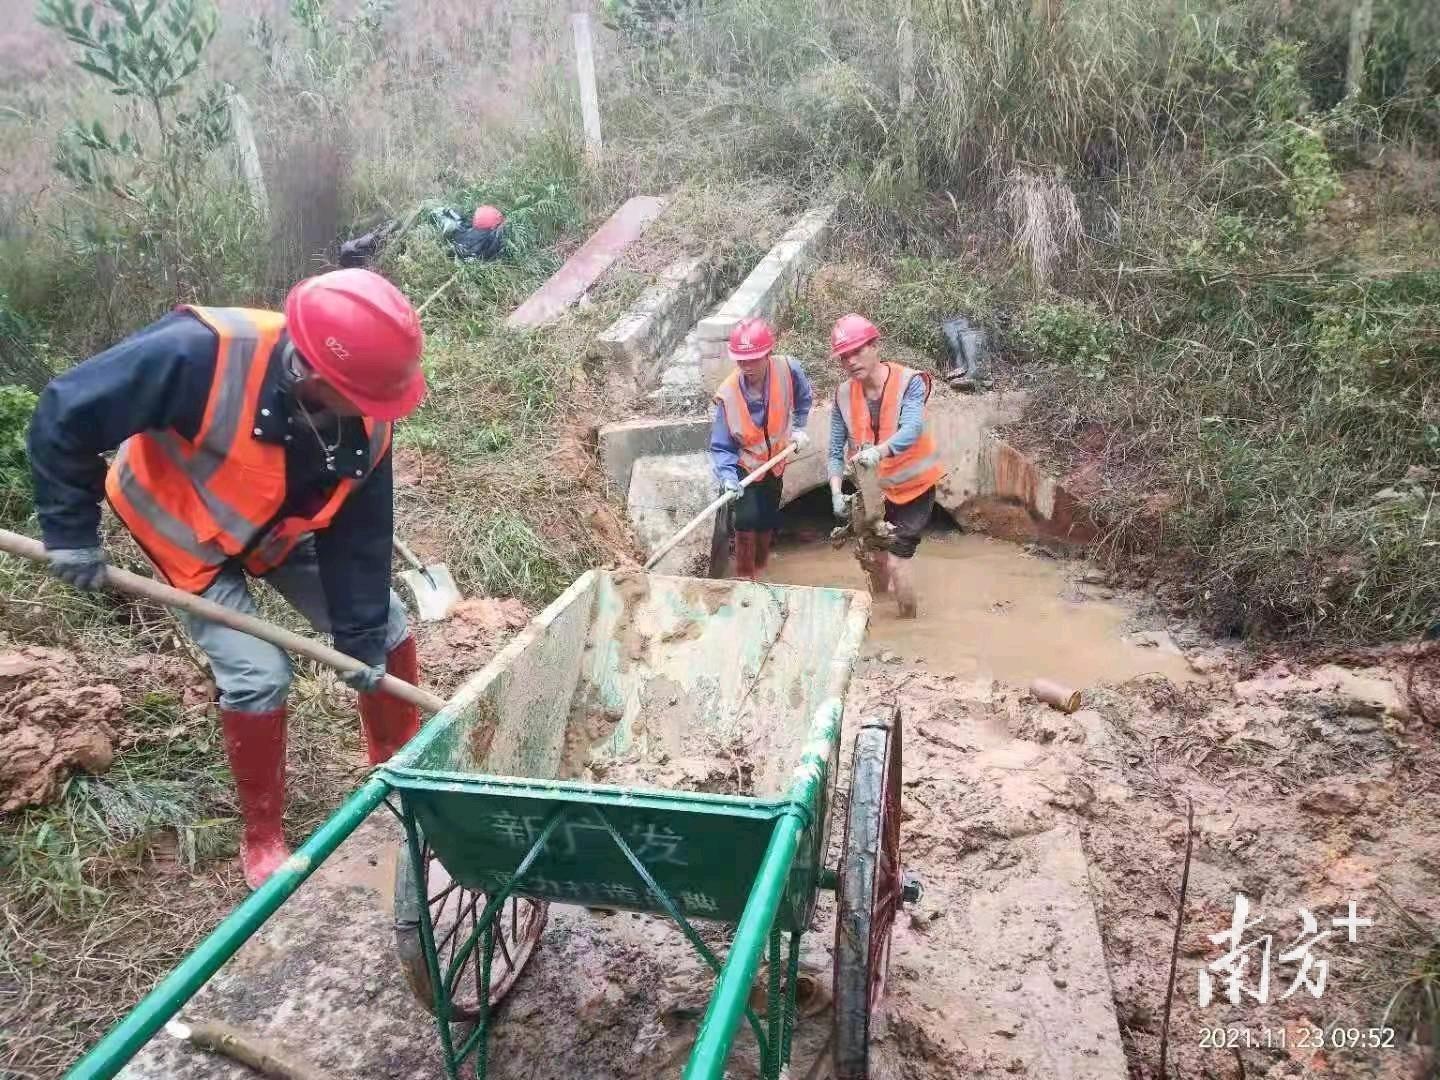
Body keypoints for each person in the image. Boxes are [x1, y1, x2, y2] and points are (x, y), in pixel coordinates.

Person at [28, 268, 427, 888]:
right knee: (259, 674)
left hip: (277, 524)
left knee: (388, 625)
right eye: (368, 403)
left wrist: (360, 633)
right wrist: (70, 530)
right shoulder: (199, 354)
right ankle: (262, 838)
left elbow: (361, 528)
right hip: (187, 527)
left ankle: (399, 766)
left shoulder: (371, 403)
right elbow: (67, 412)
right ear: (317, 377)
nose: (377, 416)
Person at [826, 313, 945, 618]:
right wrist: (836, 492)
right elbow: (834, 451)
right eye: (844, 356)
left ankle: (907, 625)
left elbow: (911, 428)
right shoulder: (842, 395)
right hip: (873, 494)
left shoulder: (910, 382)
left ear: (875, 345)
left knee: (895, 561)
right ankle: (877, 613)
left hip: (913, 490)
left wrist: (879, 452)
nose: (851, 361)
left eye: (858, 351)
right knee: (874, 558)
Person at [709, 317, 814, 579]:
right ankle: (745, 577)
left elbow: (804, 398)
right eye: (741, 361)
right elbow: (722, 446)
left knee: (767, 515)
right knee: (746, 520)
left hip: (776, 461)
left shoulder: (789, 370)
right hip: (746, 466)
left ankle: (761, 568)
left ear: (768, 353)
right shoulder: (728, 394)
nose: (747, 367)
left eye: (753, 359)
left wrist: (800, 428)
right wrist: (729, 478)